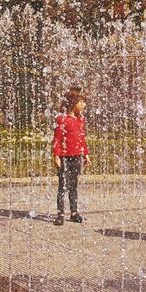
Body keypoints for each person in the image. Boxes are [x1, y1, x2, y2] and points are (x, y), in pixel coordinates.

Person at [52, 87, 89, 226]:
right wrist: (56, 156)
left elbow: (82, 139)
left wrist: (85, 154)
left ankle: (74, 212)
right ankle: (60, 214)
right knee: (63, 186)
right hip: (65, 158)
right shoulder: (63, 119)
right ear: (73, 103)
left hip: (76, 157)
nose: (84, 105)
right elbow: (57, 139)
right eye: (81, 102)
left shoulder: (80, 120)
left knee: (73, 185)